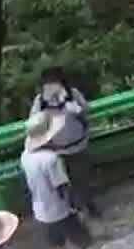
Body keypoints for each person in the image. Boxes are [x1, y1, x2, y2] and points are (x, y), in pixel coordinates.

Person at [18, 112, 90, 249]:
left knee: (56, 245)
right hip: (59, 210)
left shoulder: (26, 156)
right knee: (81, 241)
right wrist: (76, 207)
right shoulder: (51, 159)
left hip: (41, 210)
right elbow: (62, 187)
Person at [27, 68, 98, 218]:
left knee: (82, 179)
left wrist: (73, 106)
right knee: (64, 185)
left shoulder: (72, 94)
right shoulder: (40, 101)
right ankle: (73, 210)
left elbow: (86, 110)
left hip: (78, 145)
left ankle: (89, 205)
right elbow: (33, 123)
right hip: (56, 151)